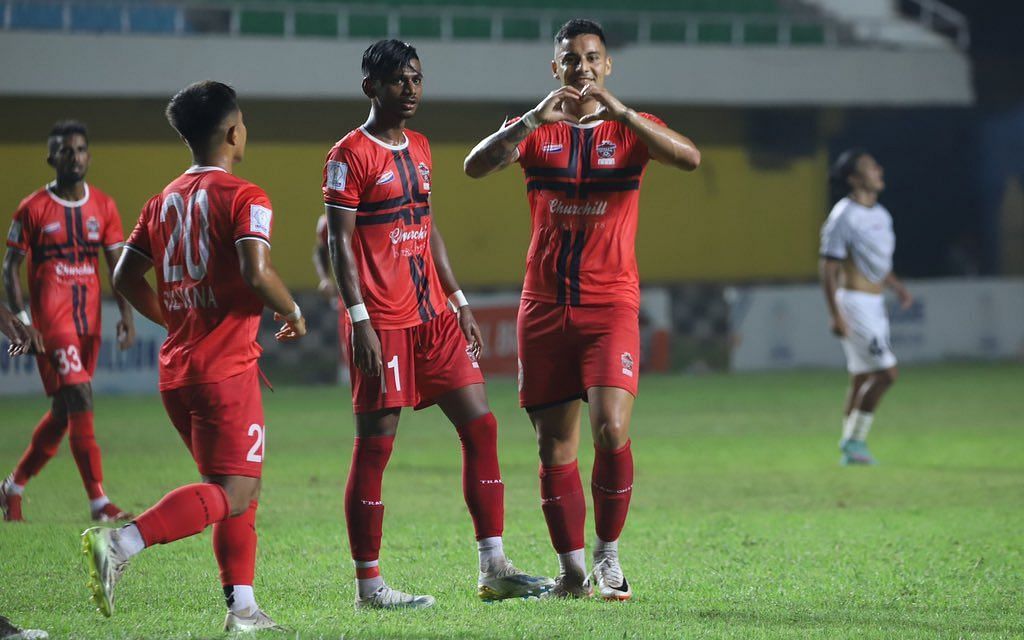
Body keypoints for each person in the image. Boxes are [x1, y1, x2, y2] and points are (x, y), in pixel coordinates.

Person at [463, 19, 701, 600]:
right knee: (553, 445)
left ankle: (608, 557)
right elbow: (475, 166)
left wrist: (623, 115)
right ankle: (572, 574)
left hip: (610, 304)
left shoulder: (632, 130)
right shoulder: (536, 130)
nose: (583, 68)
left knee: (611, 427)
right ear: (556, 69)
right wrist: (530, 120)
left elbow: (689, 158)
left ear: (608, 65)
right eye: (571, 59)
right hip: (543, 307)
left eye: (593, 58)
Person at [323, 39, 553, 609]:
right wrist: (359, 320)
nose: (411, 89)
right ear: (370, 86)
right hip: (384, 320)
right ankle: (369, 586)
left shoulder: (421, 146)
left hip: (434, 317)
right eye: (399, 80)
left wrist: (459, 299)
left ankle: (494, 566)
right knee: (376, 445)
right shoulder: (348, 155)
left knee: (482, 426)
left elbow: (427, 228)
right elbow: (340, 244)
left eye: (417, 79)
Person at [80, 80, 306, 632]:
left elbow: (124, 277)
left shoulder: (162, 200)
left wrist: (174, 318)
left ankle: (244, 609)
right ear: (233, 131)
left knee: (235, 491)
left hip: (179, 371)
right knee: (234, 491)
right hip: (224, 371)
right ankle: (121, 543)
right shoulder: (246, 197)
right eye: (244, 121)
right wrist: (294, 311)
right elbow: (257, 270)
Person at [1, 121, 135, 523]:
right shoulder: (32, 208)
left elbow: (118, 266)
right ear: (51, 158)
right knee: (80, 398)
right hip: (51, 323)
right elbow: (10, 269)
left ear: (88, 157)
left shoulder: (105, 206)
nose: (72, 156)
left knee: (64, 410)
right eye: (64, 150)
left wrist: (126, 314)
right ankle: (98, 502)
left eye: (78, 149)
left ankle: (12, 487)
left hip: (88, 322)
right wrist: (24, 322)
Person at [819, 149, 912, 466]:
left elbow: (878, 262)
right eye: (871, 167)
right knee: (887, 374)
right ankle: (854, 441)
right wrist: (835, 314)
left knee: (861, 378)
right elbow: (828, 267)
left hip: (875, 302)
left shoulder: (882, 215)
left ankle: (850, 450)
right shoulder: (843, 216)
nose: (879, 170)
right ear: (854, 178)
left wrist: (896, 287)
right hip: (855, 303)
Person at [314, 213, 350, 383]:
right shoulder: (330, 221)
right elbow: (321, 250)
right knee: (349, 344)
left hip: (384, 293)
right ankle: (347, 384)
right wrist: (324, 278)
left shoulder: (378, 214)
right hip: (349, 293)